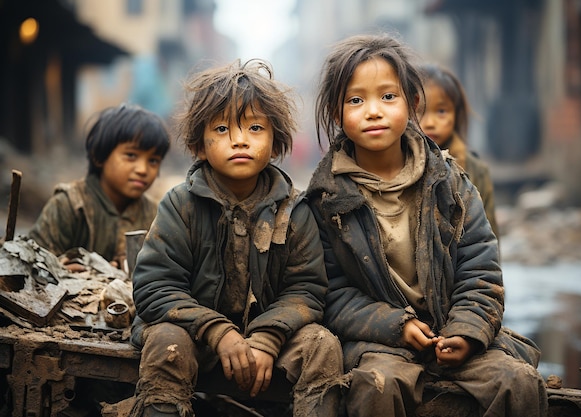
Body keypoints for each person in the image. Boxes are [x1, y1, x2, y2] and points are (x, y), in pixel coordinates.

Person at [306, 33, 547, 417]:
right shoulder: (325, 201)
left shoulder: (450, 184)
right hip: (379, 342)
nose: (373, 110)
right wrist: (395, 326)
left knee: (517, 382)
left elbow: (481, 271)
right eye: (356, 100)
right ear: (337, 114)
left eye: (388, 96)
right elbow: (329, 292)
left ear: (411, 103)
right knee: (376, 386)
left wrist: (467, 331)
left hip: (453, 334)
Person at [127, 59, 343, 417]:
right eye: (223, 128)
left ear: (276, 144)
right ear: (199, 145)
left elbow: (306, 289)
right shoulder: (181, 204)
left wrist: (267, 337)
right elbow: (155, 286)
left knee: (322, 346)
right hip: (195, 334)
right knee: (166, 343)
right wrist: (217, 332)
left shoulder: (295, 209)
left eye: (255, 127)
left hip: (271, 337)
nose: (240, 139)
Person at [28, 103, 170, 271]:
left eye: (153, 161)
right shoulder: (70, 205)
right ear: (99, 157)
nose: (143, 170)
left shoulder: (155, 216)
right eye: (131, 156)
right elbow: (31, 262)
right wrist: (60, 269)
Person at [418, 63, 499, 237]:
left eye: (441, 111)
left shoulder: (475, 169)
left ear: (456, 114)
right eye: (419, 111)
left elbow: (488, 237)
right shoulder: (394, 165)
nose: (430, 122)